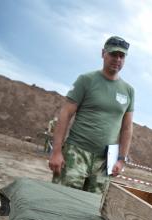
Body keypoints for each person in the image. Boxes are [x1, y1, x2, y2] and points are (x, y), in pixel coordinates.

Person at [49, 36, 134, 193]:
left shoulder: (128, 91)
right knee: (62, 202)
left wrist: (121, 160)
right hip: (76, 154)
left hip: (104, 162)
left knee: (92, 209)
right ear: (103, 53)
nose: (117, 59)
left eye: (122, 56)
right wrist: (56, 152)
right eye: (113, 54)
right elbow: (65, 114)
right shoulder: (86, 80)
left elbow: (127, 128)